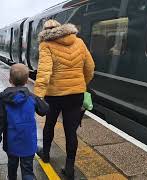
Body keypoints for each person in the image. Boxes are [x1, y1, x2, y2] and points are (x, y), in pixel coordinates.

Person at [34, 19, 95, 179]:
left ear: (45, 31)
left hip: (54, 95)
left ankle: (45, 154)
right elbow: (90, 67)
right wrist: (82, 83)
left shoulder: (46, 44)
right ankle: (69, 168)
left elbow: (44, 72)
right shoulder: (79, 42)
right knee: (71, 131)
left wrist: (38, 95)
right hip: (76, 95)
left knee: (50, 124)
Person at [0, 64, 49, 180]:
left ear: (10, 80)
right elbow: (44, 110)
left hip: (11, 143)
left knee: (12, 165)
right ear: (27, 81)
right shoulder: (32, 98)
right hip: (28, 141)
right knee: (27, 169)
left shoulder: (3, 101)